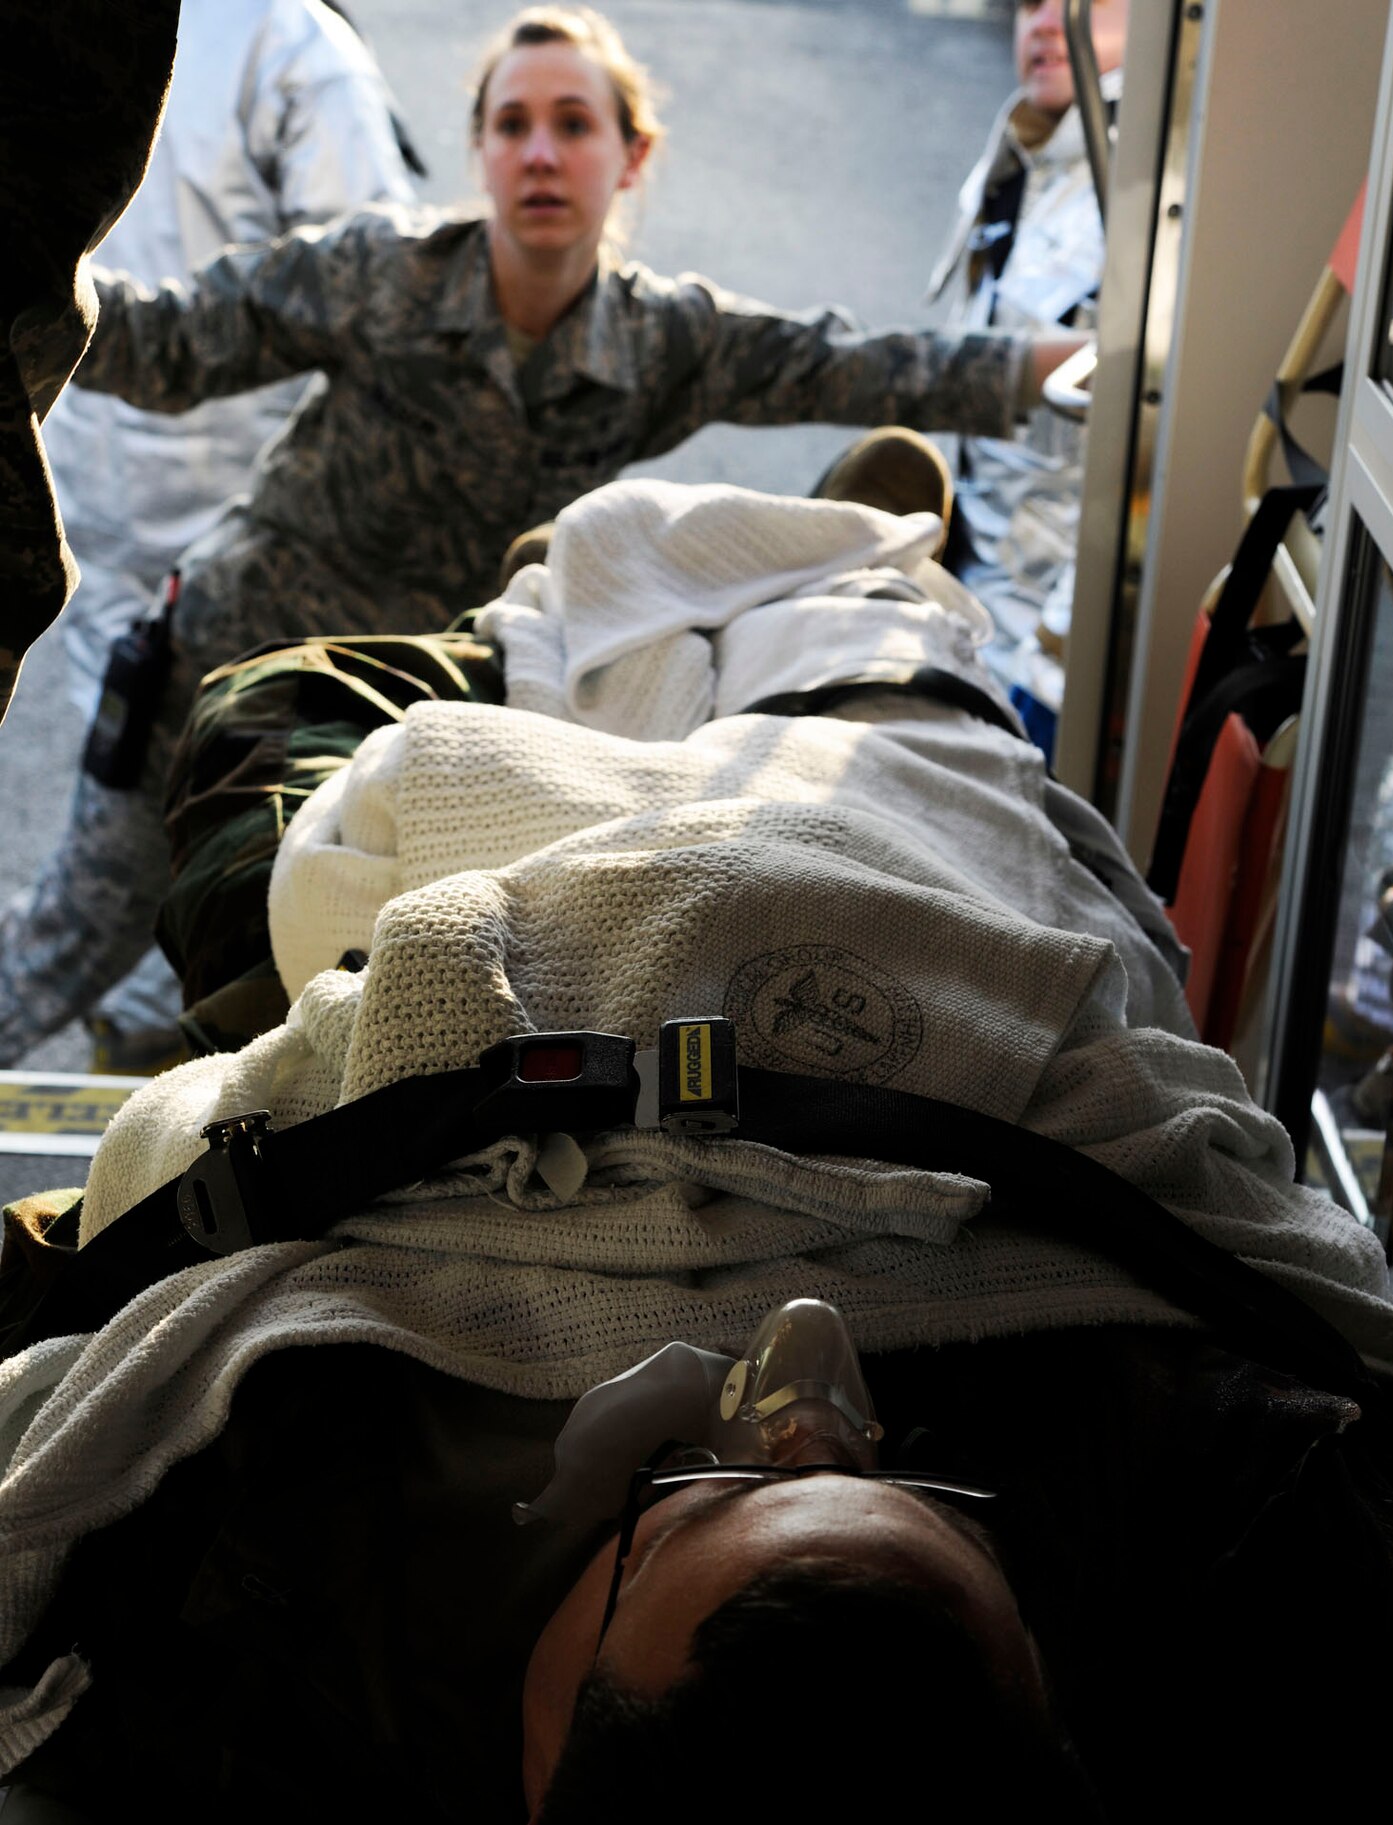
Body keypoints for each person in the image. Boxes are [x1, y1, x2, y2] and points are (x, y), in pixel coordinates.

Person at [0, 473, 1393, 1825]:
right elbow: (1281, 1273)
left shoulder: (219, 1630)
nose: (798, 1381)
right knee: (905, 727)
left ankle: (535, 610)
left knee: (268, 741)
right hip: (931, 940)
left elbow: (97, 1299)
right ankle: (838, 583)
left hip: (495, 1008)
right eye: (925, 1482)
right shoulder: (1268, 1604)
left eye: (680, 1505)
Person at [0, 2, 1079, 1074]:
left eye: (574, 123)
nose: (541, 154)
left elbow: (853, 364)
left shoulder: (659, 338)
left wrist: (1057, 365)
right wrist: (24, 272)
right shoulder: (384, 275)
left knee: (292, 1005)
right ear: (478, 149)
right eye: (512, 125)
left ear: (630, 154)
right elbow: (169, 341)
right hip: (223, 687)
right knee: (69, 949)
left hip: (401, 719)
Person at [8, 0, 418, 1075]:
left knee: (163, 808)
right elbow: (379, 270)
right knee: (181, 819)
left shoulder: (283, 45)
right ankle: (141, 1051)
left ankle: (137, 1049)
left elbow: (368, 271)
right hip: (156, 511)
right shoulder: (291, 45)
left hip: (130, 491)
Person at [927, 0, 1128, 752]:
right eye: (1026, 2)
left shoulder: (1156, 205)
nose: (1044, 22)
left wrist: (1045, 684)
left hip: (1049, 668)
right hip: (964, 622)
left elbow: (1148, 485)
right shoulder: (1022, 159)